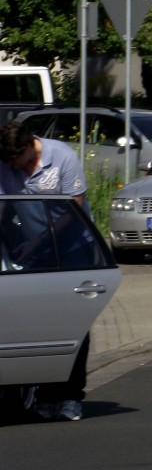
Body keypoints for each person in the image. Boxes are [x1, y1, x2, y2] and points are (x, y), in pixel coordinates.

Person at [0, 120, 90, 422]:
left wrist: (38, 242)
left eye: (17, 160)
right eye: (9, 163)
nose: (15, 168)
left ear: (29, 147)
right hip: (35, 249)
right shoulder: (8, 165)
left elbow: (74, 208)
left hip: (74, 248)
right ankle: (43, 394)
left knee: (73, 327)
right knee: (37, 324)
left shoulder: (61, 156)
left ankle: (70, 396)